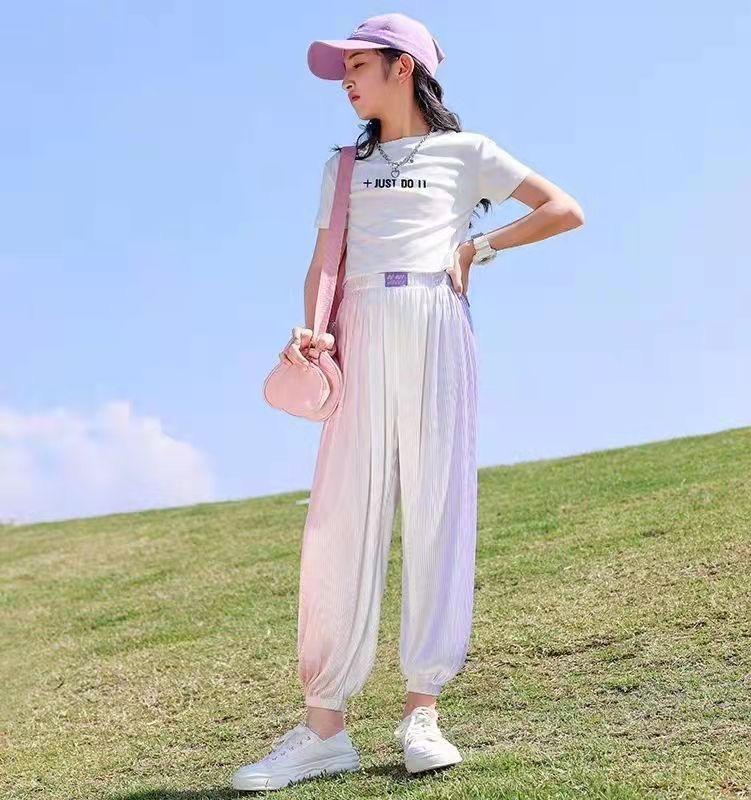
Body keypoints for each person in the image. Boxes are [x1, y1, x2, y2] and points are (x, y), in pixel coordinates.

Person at [231, 12, 584, 792]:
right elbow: (324, 260)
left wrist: (477, 248)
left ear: (404, 68)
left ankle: (422, 713)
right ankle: (324, 729)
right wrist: (314, 329)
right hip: (358, 327)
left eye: (358, 65)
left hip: (435, 321)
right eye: (343, 70)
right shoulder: (343, 167)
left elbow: (563, 208)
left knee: (437, 508)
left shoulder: (468, 152)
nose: (345, 81)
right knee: (339, 521)